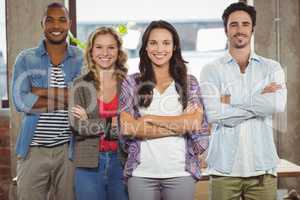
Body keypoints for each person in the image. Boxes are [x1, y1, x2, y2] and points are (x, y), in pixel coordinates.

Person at [200, 2, 287, 200]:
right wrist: (257, 99)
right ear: (225, 30)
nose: (240, 30)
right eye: (234, 24)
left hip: (262, 169)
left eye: (245, 24)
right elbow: (214, 114)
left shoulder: (271, 68)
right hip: (223, 170)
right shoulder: (211, 70)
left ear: (252, 28)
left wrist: (230, 100)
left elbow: (275, 104)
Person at [119, 20, 209, 200]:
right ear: (145, 47)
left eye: (166, 43)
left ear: (174, 46)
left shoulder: (189, 82)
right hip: (141, 172)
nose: (160, 49)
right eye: (153, 43)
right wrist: (179, 123)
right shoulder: (131, 82)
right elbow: (128, 128)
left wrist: (148, 119)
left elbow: (194, 123)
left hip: (180, 172)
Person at [11, 2, 83, 200]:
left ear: (69, 23)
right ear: (42, 23)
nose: (56, 26)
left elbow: (82, 98)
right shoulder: (26, 59)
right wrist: (65, 99)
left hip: (68, 150)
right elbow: (20, 101)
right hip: (32, 149)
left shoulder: (79, 58)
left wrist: (41, 91)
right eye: (50, 20)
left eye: (62, 20)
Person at [69, 27, 128, 200]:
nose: (105, 53)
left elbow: (131, 125)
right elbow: (77, 125)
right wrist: (112, 123)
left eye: (111, 47)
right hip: (88, 164)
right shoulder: (79, 84)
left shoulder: (128, 83)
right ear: (91, 51)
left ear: (118, 51)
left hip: (121, 161)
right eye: (99, 47)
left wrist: (91, 122)